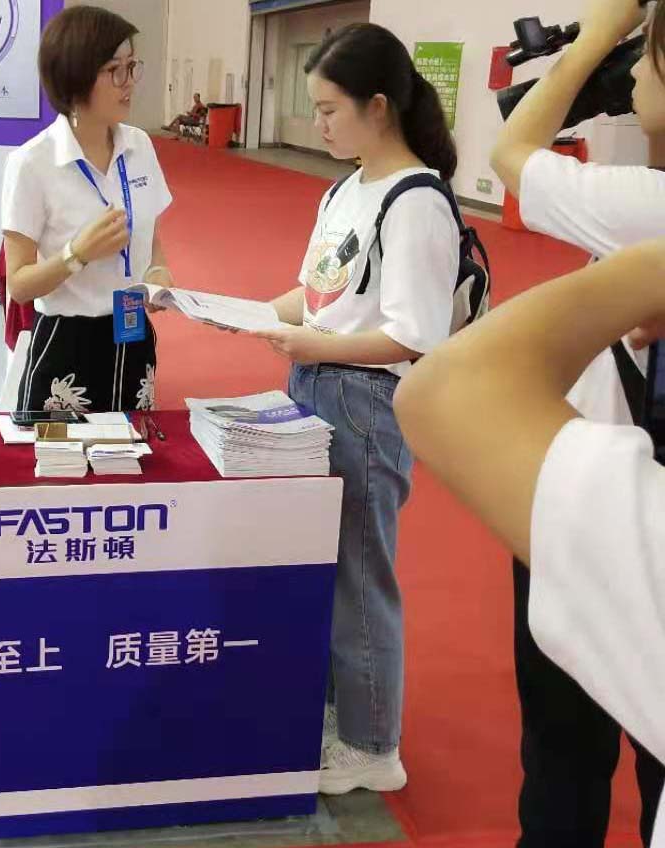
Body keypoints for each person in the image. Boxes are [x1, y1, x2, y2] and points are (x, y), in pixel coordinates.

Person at [393, 239, 665, 848]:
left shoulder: (636, 229)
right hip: (571, 486)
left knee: (594, 749)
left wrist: (647, 270)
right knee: (560, 746)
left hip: (604, 502)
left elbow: (447, 392)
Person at [250, 23, 461, 794]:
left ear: (379, 107)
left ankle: (375, 746)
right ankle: (345, 711)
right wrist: (236, 311)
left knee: (360, 572)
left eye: (329, 109)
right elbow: (317, 294)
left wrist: (313, 343)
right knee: (325, 563)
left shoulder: (417, 201)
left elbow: (414, 335)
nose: (318, 125)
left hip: (364, 401)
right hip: (315, 383)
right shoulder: (346, 189)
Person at [489, 0, 665, 841]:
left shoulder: (649, 206)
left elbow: (511, 152)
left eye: (647, 51)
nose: (632, 68)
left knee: (566, 748)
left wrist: (596, 35)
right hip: (615, 494)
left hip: (604, 513)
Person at [1, 5, 174, 413]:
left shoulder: (140, 146)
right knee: (61, 454)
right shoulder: (32, 163)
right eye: (115, 70)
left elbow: (152, 240)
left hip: (133, 336)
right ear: (76, 77)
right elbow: (19, 285)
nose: (129, 83)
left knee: (134, 448)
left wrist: (158, 273)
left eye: (132, 67)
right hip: (66, 343)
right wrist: (76, 254)